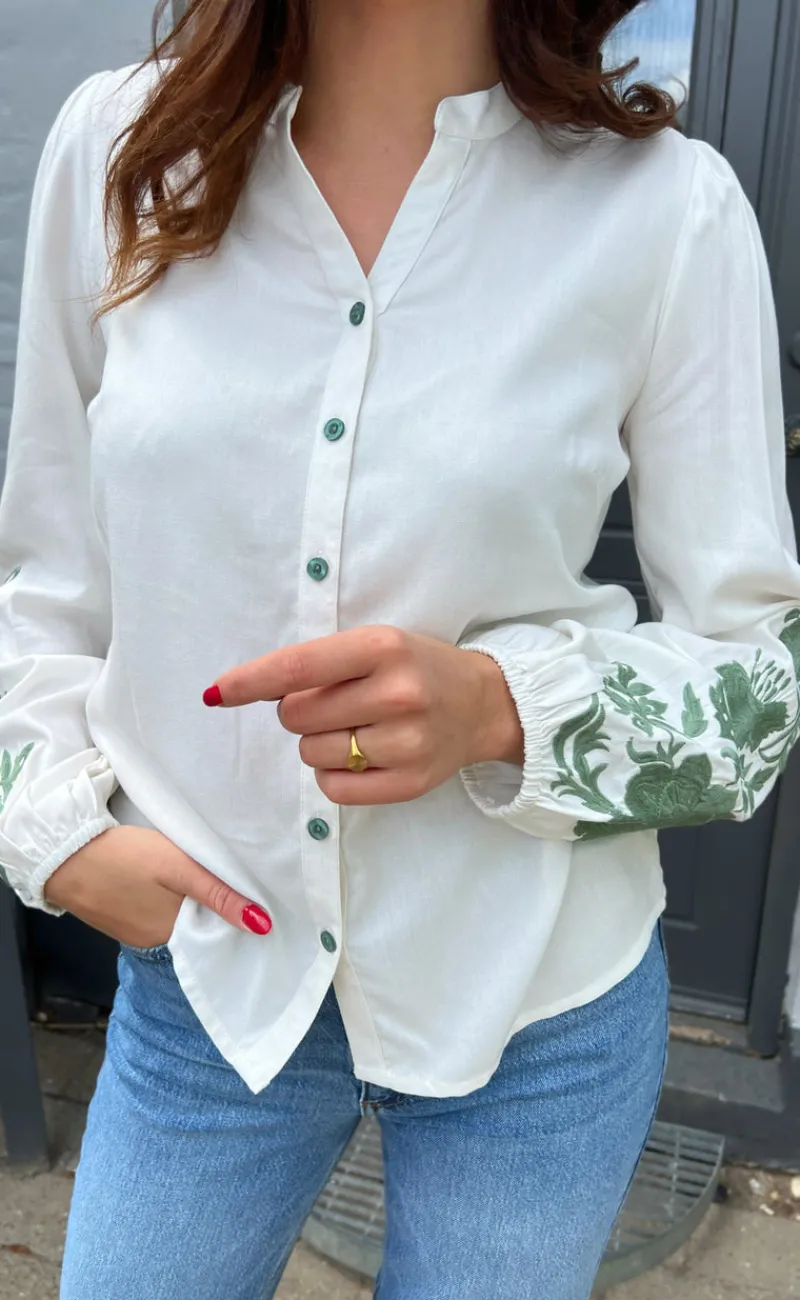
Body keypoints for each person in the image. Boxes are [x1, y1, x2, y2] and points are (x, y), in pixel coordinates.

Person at [1, 1, 799, 1296]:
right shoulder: (119, 152)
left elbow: (757, 682)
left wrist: (500, 710)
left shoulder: (667, 211)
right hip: (212, 981)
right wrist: (51, 830)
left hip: (538, 1010)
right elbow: (39, 580)